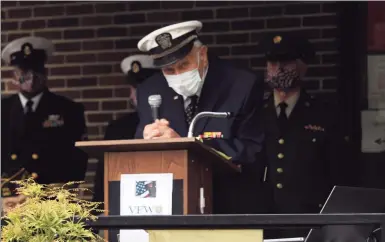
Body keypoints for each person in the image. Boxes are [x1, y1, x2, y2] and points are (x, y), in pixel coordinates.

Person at [135, 20, 265, 214]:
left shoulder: (241, 84)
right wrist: (146, 142)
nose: (177, 75)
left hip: (231, 206)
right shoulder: (151, 91)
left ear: (202, 54)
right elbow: (137, 154)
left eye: (184, 65)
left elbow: (252, 151)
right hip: (173, 207)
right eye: (169, 70)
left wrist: (186, 146)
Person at [258, 33, 354, 238]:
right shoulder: (255, 113)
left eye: (286, 62)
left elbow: (339, 172)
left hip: (310, 221)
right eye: (272, 62)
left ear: (302, 66)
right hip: (265, 221)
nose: (278, 68)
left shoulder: (325, 114)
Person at [1, 36, 88, 213]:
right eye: (24, 71)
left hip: (52, 198)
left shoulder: (69, 109)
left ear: (45, 72)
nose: (31, 78)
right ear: (14, 75)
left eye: (36, 70)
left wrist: (65, 193)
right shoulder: (3, 109)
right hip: (9, 198)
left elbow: (79, 156)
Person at [92, 54, 159, 206]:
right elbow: (103, 179)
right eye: (135, 88)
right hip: (124, 207)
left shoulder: (174, 121)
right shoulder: (118, 129)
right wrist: (98, 214)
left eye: (146, 86)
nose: (140, 93)